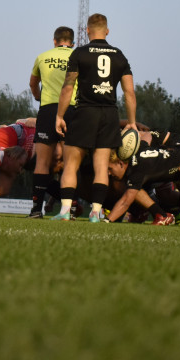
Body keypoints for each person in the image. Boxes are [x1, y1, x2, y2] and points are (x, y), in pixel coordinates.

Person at [54, 13, 136, 223]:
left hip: (85, 113)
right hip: (109, 114)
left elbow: (68, 87)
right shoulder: (119, 55)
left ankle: (64, 211)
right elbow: (129, 93)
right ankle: (96, 213)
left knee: (71, 164)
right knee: (101, 167)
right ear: (107, 31)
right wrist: (133, 122)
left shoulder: (80, 53)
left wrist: (60, 116)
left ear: (87, 30)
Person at [27, 26, 76, 218]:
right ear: (72, 43)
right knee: (69, 163)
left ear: (54, 41)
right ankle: (68, 210)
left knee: (42, 162)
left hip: (47, 109)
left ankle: (35, 209)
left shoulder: (42, 56)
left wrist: (40, 98)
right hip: (71, 109)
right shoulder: (77, 55)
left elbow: (32, 83)